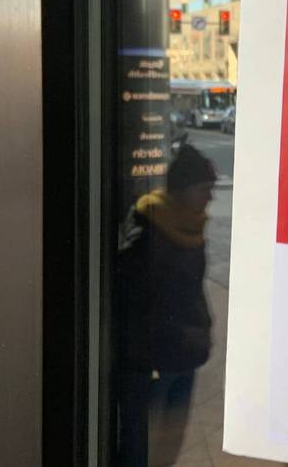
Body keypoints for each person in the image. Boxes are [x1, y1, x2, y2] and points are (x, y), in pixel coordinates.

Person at [118, 144, 217, 466]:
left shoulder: (192, 228)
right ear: (183, 189)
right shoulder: (149, 235)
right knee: (140, 448)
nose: (210, 197)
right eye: (204, 189)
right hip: (154, 362)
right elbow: (134, 305)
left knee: (167, 449)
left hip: (184, 357)